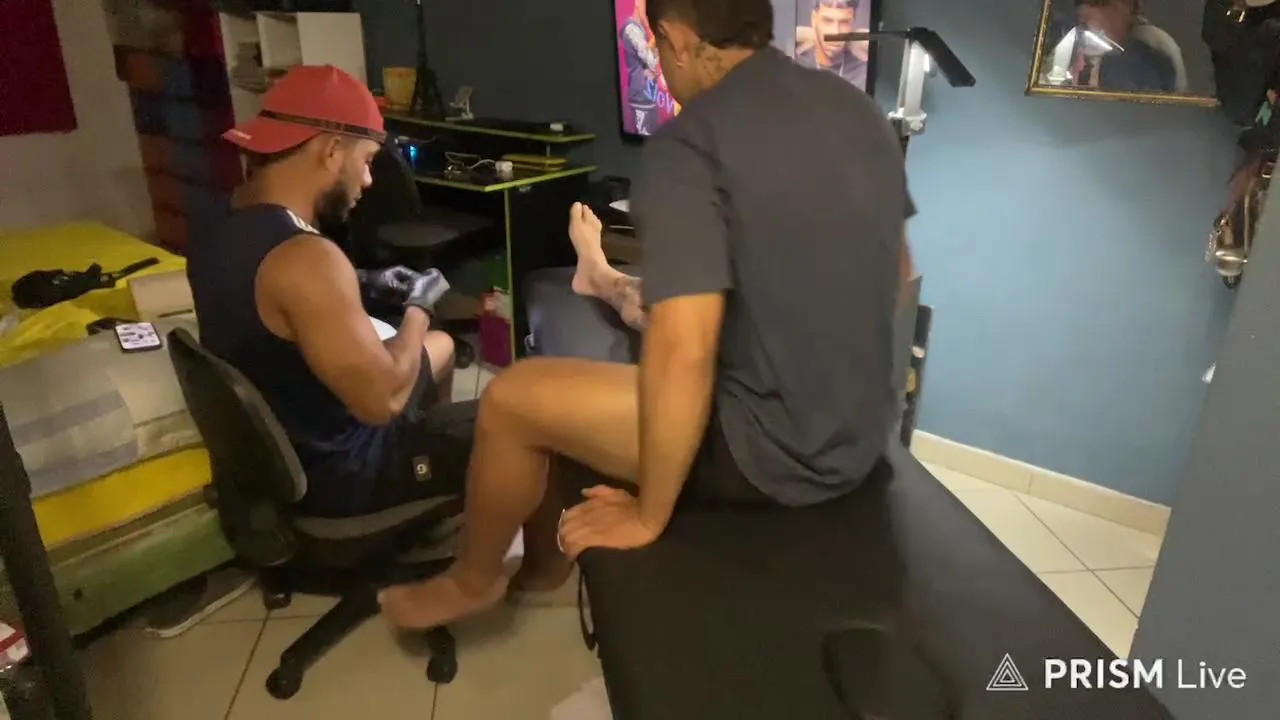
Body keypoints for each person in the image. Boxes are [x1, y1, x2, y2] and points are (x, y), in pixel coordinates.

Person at [378, 0, 915, 629]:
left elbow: (685, 352)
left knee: (513, 399)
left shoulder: (690, 143)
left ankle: (471, 581)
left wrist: (646, 514)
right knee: (659, 318)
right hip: (864, 436)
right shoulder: (855, 109)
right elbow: (898, 275)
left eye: (656, 48)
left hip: (777, 456)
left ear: (676, 39)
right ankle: (545, 569)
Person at [187, 65, 465, 520]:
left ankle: (427, 483)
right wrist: (420, 303)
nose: (369, 180)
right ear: (333, 150)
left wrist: (362, 280)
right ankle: (421, 502)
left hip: (278, 457)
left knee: (443, 348)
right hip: (343, 478)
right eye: (367, 160)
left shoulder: (217, 218)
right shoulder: (309, 258)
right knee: (520, 424)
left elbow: (275, 292)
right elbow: (383, 402)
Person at [794, 0, 868, 89]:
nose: (835, 33)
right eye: (827, 21)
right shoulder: (794, 64)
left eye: (844, 22)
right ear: (814, 19)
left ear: (853, 23)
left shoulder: (863, 73)